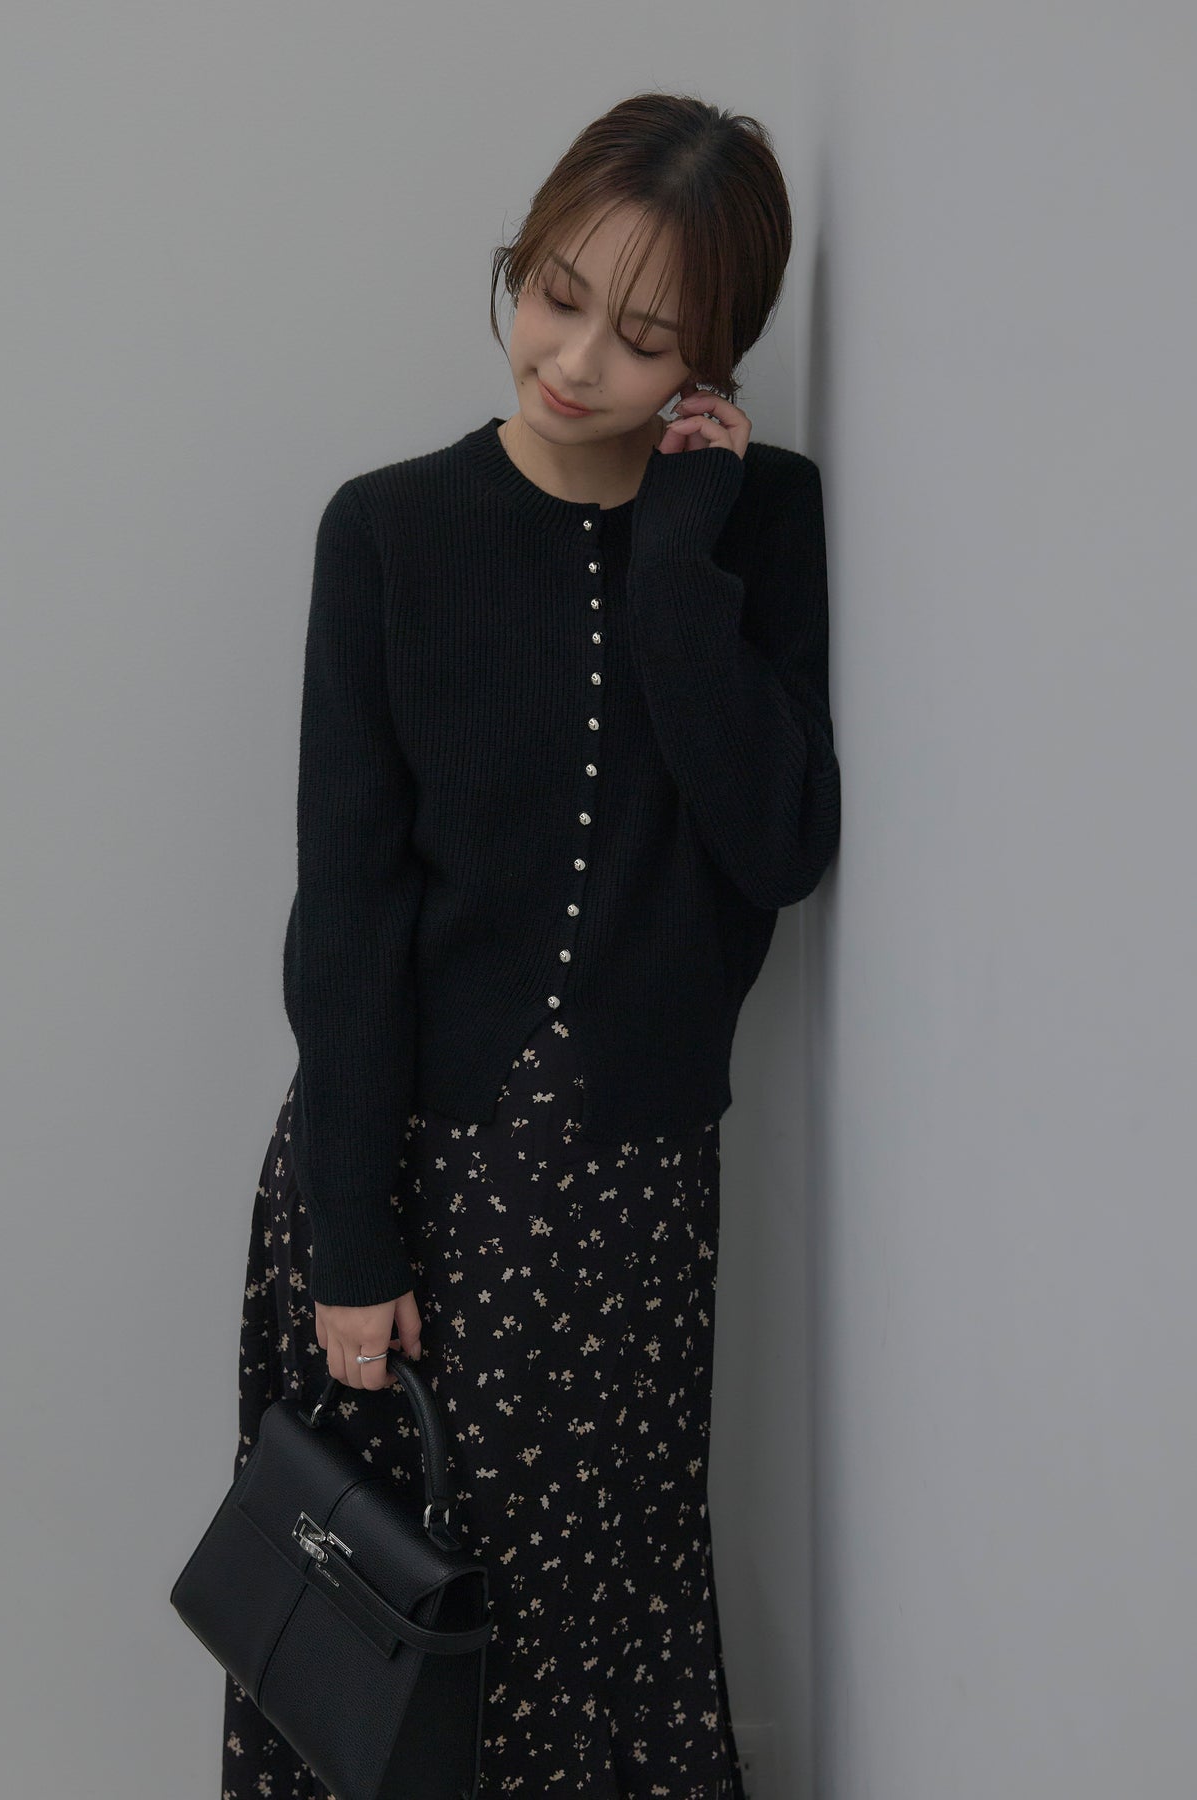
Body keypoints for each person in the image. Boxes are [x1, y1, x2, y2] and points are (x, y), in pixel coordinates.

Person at [222, 90, 840, 1800]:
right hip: (402, 1188)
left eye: (641, 338)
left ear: (713, 355)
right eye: (555, 294)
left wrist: (676, 562)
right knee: (379, 1638)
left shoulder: (755, 521)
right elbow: (348, 912)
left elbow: (779, 845)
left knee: (598, 1625)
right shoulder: (385, 532)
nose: (571, 361)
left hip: (628, 1208)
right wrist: (351, 1245)